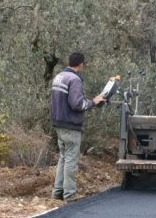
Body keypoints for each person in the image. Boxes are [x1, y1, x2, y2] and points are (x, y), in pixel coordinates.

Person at [50, 52, 105, 202]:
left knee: (63, 158)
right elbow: (77, 104)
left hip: (59, 123)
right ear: (81, 65)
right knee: (71, 160)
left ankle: (57, 192)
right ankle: (70, 194)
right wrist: (93, 102)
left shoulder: (59, 77)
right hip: (70, 125)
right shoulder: (74, 80)